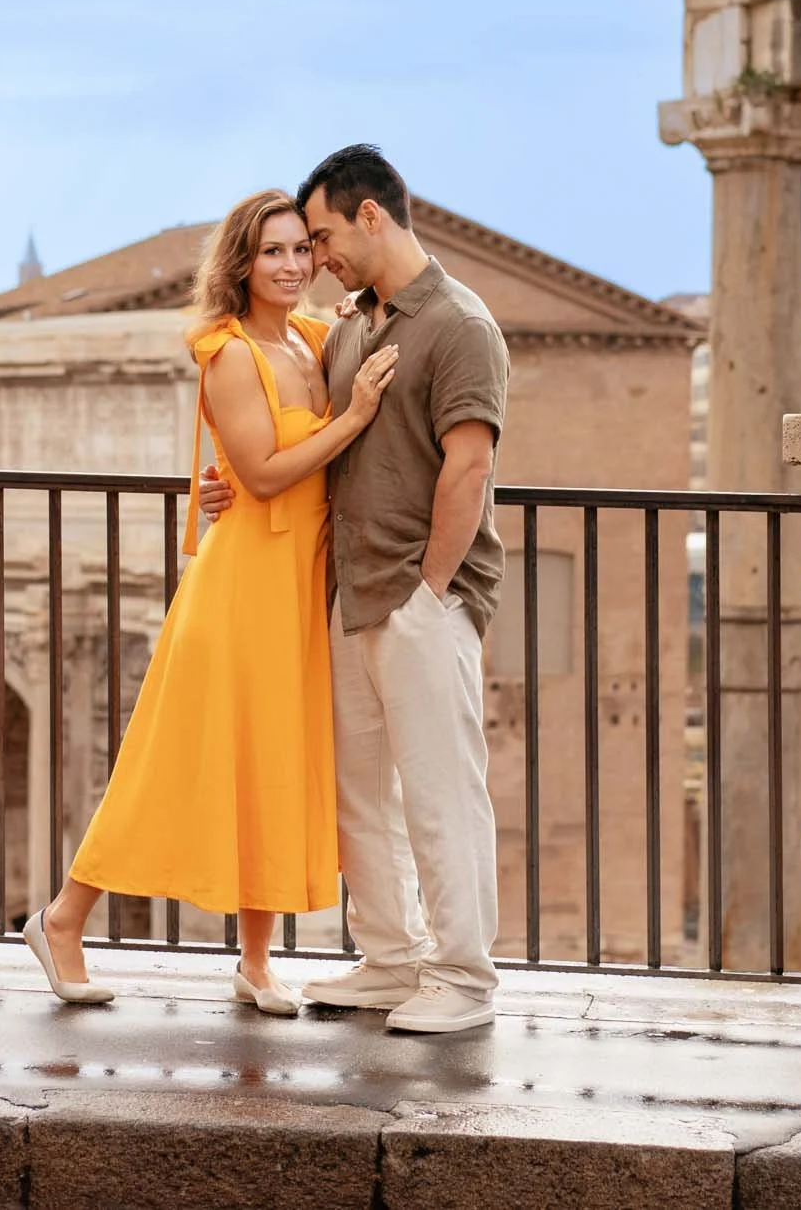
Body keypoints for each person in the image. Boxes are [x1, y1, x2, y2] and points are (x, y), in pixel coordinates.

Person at [23, 189, 399, 1015]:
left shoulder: (311, 338)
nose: (293, 264)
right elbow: (262, 474)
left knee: (270, 765)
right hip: (240, 588)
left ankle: (256, 962)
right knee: (165, 764)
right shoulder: (228, 353)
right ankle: (60, 919)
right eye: (274, 252)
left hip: (299, 584)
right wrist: (356, 416)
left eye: (303, 248)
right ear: (242, 262)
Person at [202, 144, 507, 1033]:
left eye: (326, 235)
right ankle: (391, 957)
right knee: (360, 793)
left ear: (372, 215)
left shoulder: (459, 324)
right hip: (348, 593)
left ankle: (463, 976)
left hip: (418, 598)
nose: (318, 256)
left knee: (442, 789)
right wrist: (225, 484)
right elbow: (293, 441)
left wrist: (431, 588)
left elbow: (470, 466)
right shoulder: (353, 326)